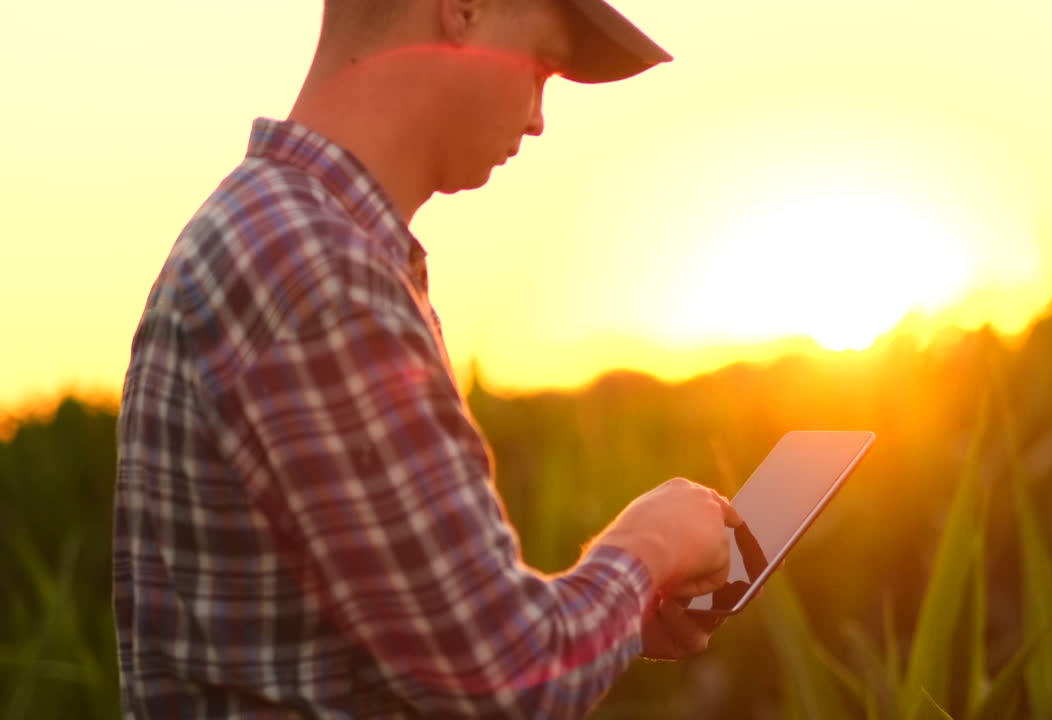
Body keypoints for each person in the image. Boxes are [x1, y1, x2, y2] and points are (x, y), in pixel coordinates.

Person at [113, 0, 741, 717]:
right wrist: (652, 544)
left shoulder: (278, 236)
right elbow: (502, 679)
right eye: (539, 66)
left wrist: (620, 618)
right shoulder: (319, 275)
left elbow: (415, 650)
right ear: (463, 9)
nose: (539, 118)